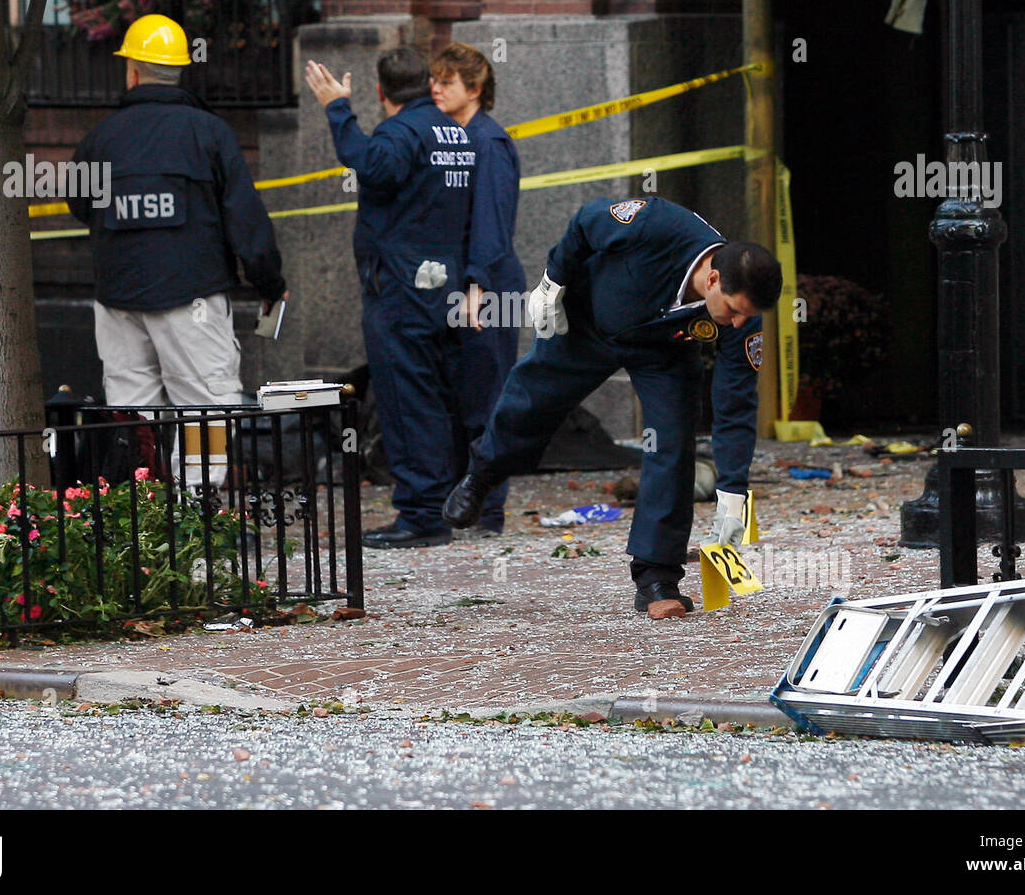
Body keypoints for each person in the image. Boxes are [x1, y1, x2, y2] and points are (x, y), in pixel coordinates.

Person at [444, 195, 782, 619]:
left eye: (745, 317)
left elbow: (735, 404)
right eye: (732, 311)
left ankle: (657, 576)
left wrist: (732, 495)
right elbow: (586, 220)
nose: (735, 324)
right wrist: (552, 283)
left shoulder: (743, 316)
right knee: (531, 402)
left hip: (664, 353)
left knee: (672, 445)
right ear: (713, 279)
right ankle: (482, 474)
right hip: (588, 324)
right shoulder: (658, 225)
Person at [68, 14, 287, 481]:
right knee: (204, 405)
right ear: (180, 70)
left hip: (117, 296)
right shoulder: (209, 133)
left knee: (131, 408)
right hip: (193, 295)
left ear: (131, 71)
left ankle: (140, 514)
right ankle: (199, 519)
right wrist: (269, 282)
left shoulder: (99, 139)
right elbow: (245, 219)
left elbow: (80, 206)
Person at [304, 48, 477, 549]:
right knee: (436, 400)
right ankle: (439, 504)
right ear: (426, 84)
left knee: (406, 401)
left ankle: (422, 516)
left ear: (381, 93)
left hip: (403, 291)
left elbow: (371, 165)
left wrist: (338, 107)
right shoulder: (452, 131)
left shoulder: (401, 133)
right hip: (444, 286)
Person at [429, 43, 525, 535]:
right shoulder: (458, 138)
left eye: (447, 80)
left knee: (487, 400)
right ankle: (468, 504)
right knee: (463, 397)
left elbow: (491, 224)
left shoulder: (488, 142)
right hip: (469, 283)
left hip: (487, 286)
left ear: (476, 87)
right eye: (435, 79)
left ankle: (487, 510)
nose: (436, 87)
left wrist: (476, 287)